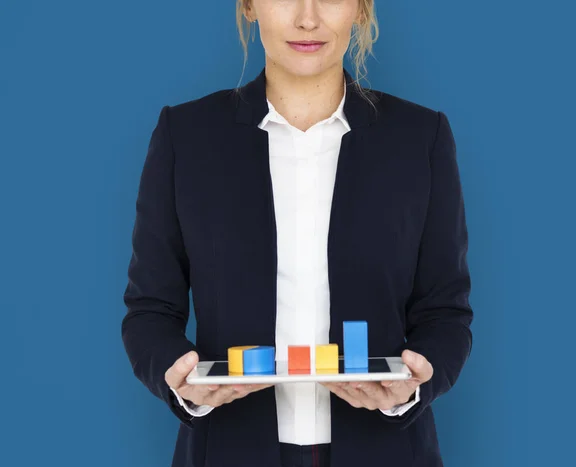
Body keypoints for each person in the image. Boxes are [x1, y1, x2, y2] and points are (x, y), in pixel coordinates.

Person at [121, 1, 474, 466]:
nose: (308, 18)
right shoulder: (185, 137)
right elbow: (149, 311)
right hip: (229, 450)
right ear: (249, 6)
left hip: (384, 451)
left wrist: (414, 384)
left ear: (361, 10)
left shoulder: (419, 137)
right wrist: (180, 377)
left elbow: (445, 312)